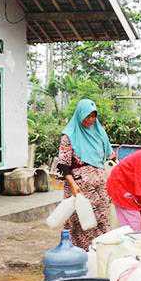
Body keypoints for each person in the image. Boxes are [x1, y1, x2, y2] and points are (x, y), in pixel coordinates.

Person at [56, 99, 113, 250]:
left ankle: (101, 253)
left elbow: (110, 156)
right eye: (88, 116)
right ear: (80, 115)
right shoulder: (69, 136)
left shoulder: (99, 132)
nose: (91, 120)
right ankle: (81, 256)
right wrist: (73, 185)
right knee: (82, 223)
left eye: (94, 116)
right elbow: (63, 165)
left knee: (102, 220)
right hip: (80, 188)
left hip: (100, 188)